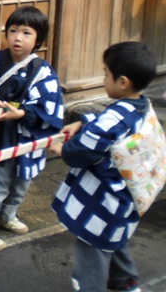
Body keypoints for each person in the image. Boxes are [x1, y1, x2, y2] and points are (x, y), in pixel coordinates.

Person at [50, 42, 157, 292]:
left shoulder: (115, 115)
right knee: (114, 238)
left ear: (122, 82)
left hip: (103, 199)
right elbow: (106, 127)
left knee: (93, 245)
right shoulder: (141, 106)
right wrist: (82, 123)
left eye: (106, 73)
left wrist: (62, 150)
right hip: (126, 193)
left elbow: (85, 149)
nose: (103, 78)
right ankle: (125, 282)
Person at [0, 6, 64, 252]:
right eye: (13, 31)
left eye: (26, 33)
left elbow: (49, 103)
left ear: (38, 39)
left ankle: (6, 216)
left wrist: (23, 113)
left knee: (22, 180)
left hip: (26, 135)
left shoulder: (42, 71)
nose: (18, 37)